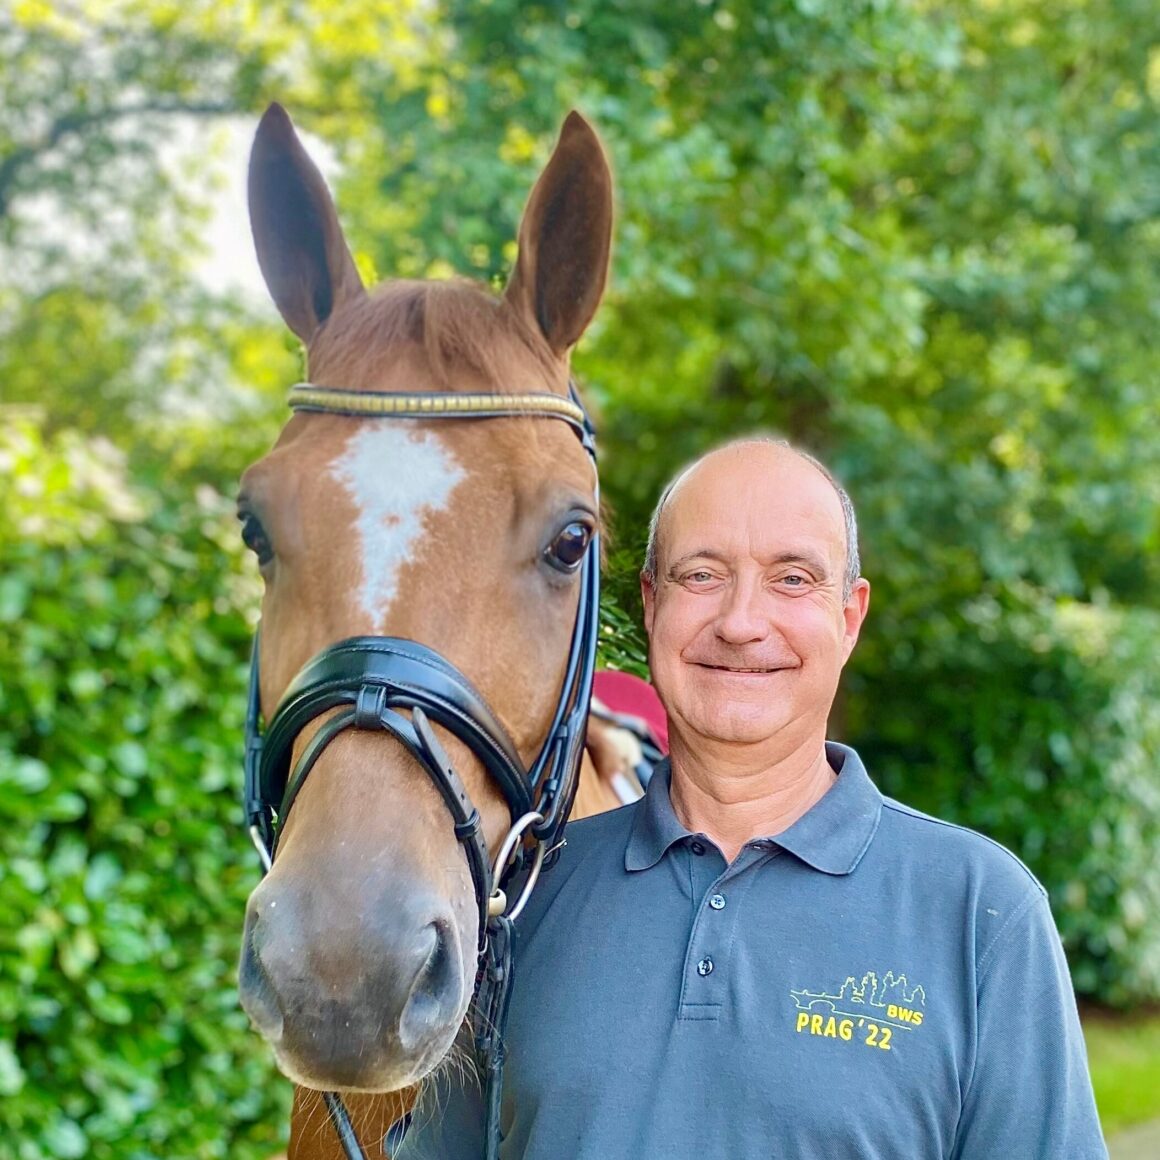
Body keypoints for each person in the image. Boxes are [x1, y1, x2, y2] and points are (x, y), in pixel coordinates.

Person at [397, 437, 1107, 1159]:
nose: (740, 622)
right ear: (651, 603)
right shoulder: (526, 897)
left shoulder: (980, 913)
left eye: (792, 579)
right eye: (701, 575)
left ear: (850, 615)